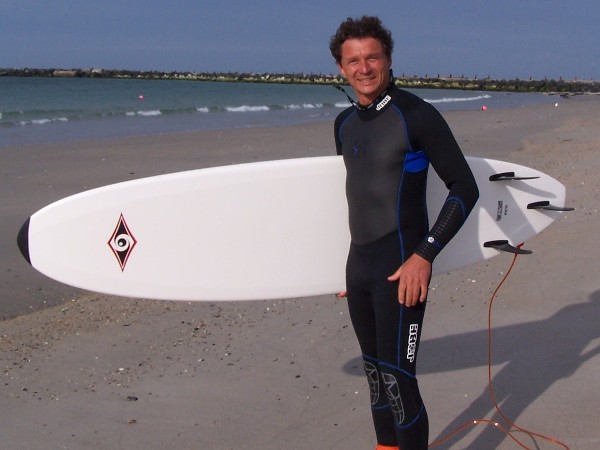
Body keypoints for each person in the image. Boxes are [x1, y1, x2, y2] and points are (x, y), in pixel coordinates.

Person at [329, 16, 479, 450]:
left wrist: (424, 255)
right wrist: (344, 269)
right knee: (375, 378)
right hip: (359, 268)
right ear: (341, 68)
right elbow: (358, 195)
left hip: (403, 270)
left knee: (399, 381)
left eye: (372, 57)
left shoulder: (416, 115)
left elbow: (463, 187)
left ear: (388, 59)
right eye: (353, 60)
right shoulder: (343, 125)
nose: (364, 67)